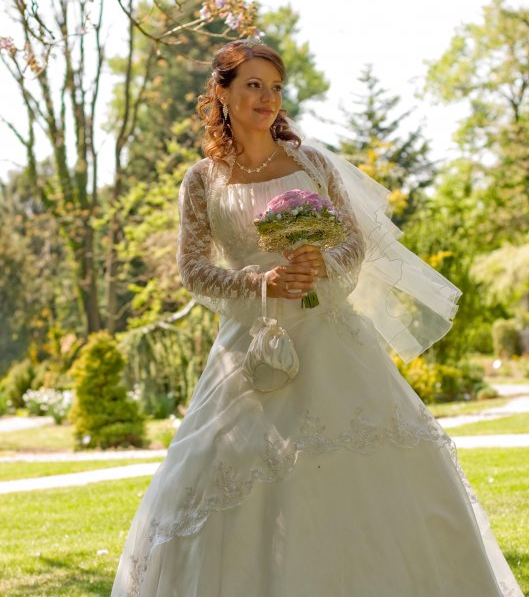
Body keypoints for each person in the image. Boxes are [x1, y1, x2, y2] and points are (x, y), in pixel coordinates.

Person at [111, 39, 524, 597]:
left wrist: (319, 262)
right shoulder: (202, 180)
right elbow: (192, 270)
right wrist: (260, 282)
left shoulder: (311, 164)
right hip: (251, 344)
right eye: (253, 85)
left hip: (331, 333)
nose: (267, 98)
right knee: (222, 465)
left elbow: (355, 243)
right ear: (222, 93)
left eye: (275, 87)